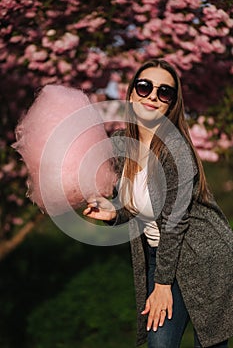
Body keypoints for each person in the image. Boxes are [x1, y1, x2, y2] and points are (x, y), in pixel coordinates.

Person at [83, 59, 233, 347]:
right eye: (144, 86)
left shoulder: (175, 150)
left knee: (210, 345)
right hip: (160, 256)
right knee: (159, 343)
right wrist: (113, 212)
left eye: (164, 92)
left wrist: (163, 286)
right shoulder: (121, 143)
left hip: (206, 258)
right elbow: (142, 210)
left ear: (171, 104)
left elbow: (175, 223)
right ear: (131, 94)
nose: (152, 95)